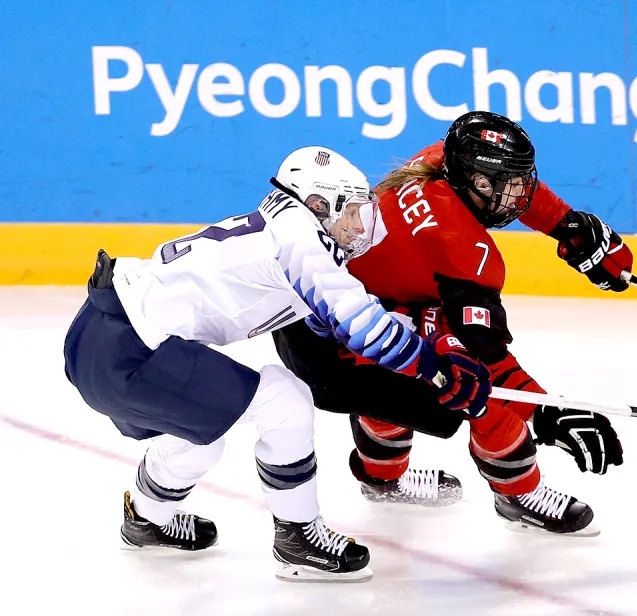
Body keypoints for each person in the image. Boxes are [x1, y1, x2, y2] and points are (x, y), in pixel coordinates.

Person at [62, 146, 492, 581]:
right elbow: (361, 326)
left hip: (99, 335)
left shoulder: (283, 228)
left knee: (200, 435)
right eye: (353, 212)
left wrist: (411, 344)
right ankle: (298, 537)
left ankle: (146, 517)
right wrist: (435, 365)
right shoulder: (300, 239)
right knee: (283, 399)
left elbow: (332, 319)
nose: (359, 226)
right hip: (132, 350)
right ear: (320, 205)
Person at [273, 111, 633, 536]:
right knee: (474, 386)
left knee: (415, 353)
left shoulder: (438, 160)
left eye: (522, 180)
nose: (521, 195)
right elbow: (489, 361)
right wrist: (546, 412)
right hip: (333, 349)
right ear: (477, 183)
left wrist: (565, 224)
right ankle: (518, 494)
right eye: (510, 186)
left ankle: (381, 478)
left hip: (326, 314)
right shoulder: (461, 248)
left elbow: (504, 187)